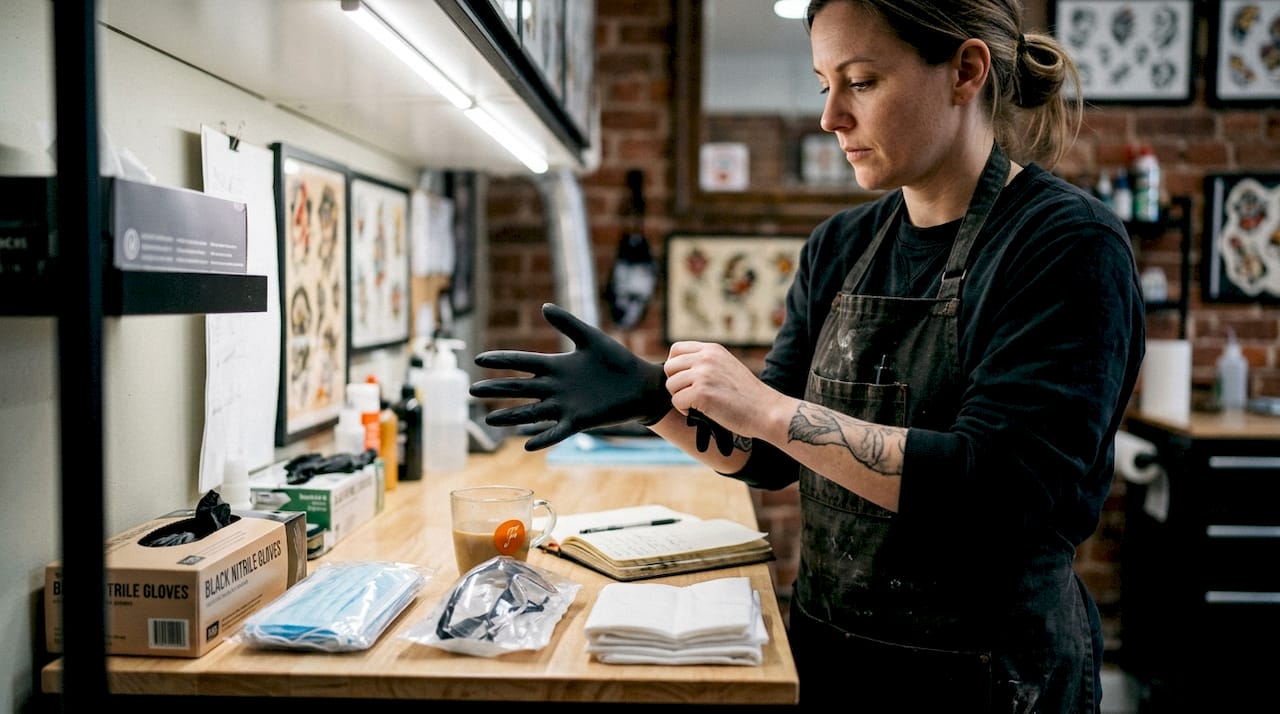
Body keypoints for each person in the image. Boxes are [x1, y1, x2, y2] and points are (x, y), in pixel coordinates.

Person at [470, 1, 1144, 710]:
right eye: (825, 83)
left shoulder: (1066, 247)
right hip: (834, 656)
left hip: (994, 678)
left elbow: (1002, 490)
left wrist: (768, 408)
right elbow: (769, 455)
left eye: (862, 81)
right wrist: (652, 399)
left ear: (965, 72)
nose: (830, 118)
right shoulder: (842, 247)